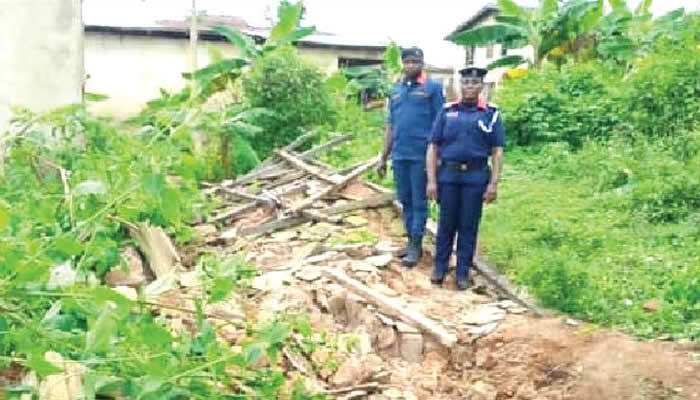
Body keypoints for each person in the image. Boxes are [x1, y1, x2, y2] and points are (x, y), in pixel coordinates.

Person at [425, 67, 505, 290]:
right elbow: (433, 146)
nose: (470, 87)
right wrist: (432, 180)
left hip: (476, 176)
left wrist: (493, 183)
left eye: (474, 83)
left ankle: (462, 272)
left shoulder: (491, 114)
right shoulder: (447, 111)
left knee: (468, 226)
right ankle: (439, 268)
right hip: (448, 176)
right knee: (446, 224)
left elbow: (497, 151)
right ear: (461, 86)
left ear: (481, 86)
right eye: (466, 83)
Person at [377, 47, 445, 268]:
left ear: (422, 64)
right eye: (407, 62)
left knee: (419, 201)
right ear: (402, 64)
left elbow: (440, 124)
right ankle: (410, 240)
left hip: (421, 156)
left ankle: (416, 244)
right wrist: (383, 157)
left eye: (415, 62)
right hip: (399, 155)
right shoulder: (396, 91)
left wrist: (438, 157)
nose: (411, 66)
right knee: (405, 200)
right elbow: (391, 126)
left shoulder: (432, 88)